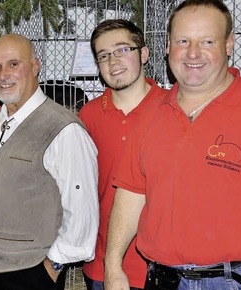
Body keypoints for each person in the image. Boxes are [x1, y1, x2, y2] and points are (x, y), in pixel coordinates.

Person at [104, 1, 241, 289]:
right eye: (183, 41)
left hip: (234, 279)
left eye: (207, 41)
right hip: (163, 279)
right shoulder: (150, 114)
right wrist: (113, 264)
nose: (193, 53)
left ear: (229, 44)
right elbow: (132, 194)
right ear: (169, 45)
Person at [0, 33, 99, 290]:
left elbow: (82, 209)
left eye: (13, 64)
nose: (3, 74)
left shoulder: (64, 129)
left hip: (35, 272)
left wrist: (53, 266)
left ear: (36, 66)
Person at [79, 19, 168, 290]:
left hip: (163, 266)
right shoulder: (88, 117)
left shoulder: (170, 109)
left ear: (143, 53)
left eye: (122, 50)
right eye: (103, 55)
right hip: (103, 265)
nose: (113, 61)